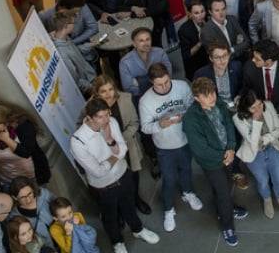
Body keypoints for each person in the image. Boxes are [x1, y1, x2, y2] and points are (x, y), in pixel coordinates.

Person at [70, 98, 160, 253]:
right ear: (89, 118)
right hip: (104, 187)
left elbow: (123, 147)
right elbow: (98, 172)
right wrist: (115, 156)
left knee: (129, 206)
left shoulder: (111, 121)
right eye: (100, 117)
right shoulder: (78, 141)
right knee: (110, 217)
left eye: (107, 114)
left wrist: (110, 141)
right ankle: (117, 242)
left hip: (123, 174)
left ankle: (138, 230)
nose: (105, 120)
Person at [182, 77, 247, 247]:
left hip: (227, 155)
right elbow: (200, 149)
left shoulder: (220, 105)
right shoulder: (191, 119)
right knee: (224, 191)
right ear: (196, 98)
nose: (212, 97)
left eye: (212, 92)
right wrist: (224, 157)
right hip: (212, 163)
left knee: (225, 185)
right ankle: (227, 226)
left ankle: (226, 208)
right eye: (206, 95)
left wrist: (232, 148)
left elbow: (229, 126)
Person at [139, 64, 203, 232]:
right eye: (159, 84)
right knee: (169, 179)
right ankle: (168, 209)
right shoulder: (145, 101)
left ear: (169, 76)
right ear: (152, 82)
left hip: (185, 139)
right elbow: (145, 128)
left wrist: (186, 114)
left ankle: (188, 192)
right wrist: (160, 124)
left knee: (186, 169)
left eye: (166, 82)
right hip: (165, 147)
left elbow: (193, 104)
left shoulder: (181, 86)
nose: (164, 87)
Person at [90, 75, 151, 214]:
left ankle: (136, 199)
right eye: (103, 91)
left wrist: (121, 138)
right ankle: (122, 208)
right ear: (97, 93)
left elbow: (135, 122)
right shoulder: (90, 106)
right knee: (116, 179)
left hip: (127, 144)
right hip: (105, 150)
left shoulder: (125, 98)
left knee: (133, 175)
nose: (108, 94)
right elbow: (81, 125)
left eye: (111, 89)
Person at [233, 89, 279, 219]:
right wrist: (256, 121)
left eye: (260, 104)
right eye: (253, 107)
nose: (259, 109)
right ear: (246, 107)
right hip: (254, 154)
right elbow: (253, 143)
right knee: (263, 181)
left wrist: (266, 139)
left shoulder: (268, 105)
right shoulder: (238, 118)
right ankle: (267, 200)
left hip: (271, 147)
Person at [242, 40, 279, 165]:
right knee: (275, 140)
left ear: (268, 61)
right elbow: (247, 90)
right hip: (261, 109)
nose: (253, 60)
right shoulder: (249, 68)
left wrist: (277, 112)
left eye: (257, 59)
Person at [0, 105, 51, 189]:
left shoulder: (23, 126)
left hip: (33, 178)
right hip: (7, 179)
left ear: (0, 125)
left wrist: (7, 140)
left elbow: (26, 152)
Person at [39, 0, 100, 66]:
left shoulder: (81, 6)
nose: (77, 16)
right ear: (63, 9)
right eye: (74, 13)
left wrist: (72, 43)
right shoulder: (45, 16)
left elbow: (93, 27)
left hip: (86, 56)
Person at [49, 10, 95, 96]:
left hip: (91, 77)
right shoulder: (61, 53)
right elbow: (75, 80)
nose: (75, 25)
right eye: (73, 23)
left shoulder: (65, 38)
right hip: (89, 87)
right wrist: (92, 88)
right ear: (66, 26)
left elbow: (75, 51)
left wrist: (90, 45)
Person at [119, 27, 173, 97]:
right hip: (141, 95)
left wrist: (139, 82)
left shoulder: (160, 53)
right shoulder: (125, 63)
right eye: (141, 41)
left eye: (148, 39)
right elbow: (128, 87)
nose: (145, 43)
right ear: (134, 44)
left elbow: (169, 74)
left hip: (163, 89)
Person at [199, 0, 250, 64]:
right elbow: (218, 56)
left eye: (223, 9)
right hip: (223, 65)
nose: (221, 13)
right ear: (210, 12)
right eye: (217, 10)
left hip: (242, 58)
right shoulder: (206, 31)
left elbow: (246, 42)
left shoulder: (232, 19)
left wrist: (231, 50)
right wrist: (238, 47)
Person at [9, 177, 56, 250]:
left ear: (33, 189)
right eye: (22, 197)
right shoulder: (14, 216)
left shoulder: (44, 194)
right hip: (46, 247)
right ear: (15, 197)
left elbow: (59, 207)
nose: (28, 200)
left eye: (29, 193)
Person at [195, 43, 243, 111]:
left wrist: (239, 95)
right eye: (217, 57)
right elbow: (199, 97)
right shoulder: (201, 74)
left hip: (236, 106)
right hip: (215, 109)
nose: (222, 60)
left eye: (225, 55)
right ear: (211, 58)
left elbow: (243, 86)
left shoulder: (237, 66)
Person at [178, 0, 209, 80]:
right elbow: (186, 55)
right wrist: (200, 43)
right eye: (196, 13)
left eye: (202, 11)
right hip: (196, 68)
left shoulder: (209, 21)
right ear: (190, 14)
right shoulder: (184, 30)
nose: (201, 15)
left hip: (210, 62)